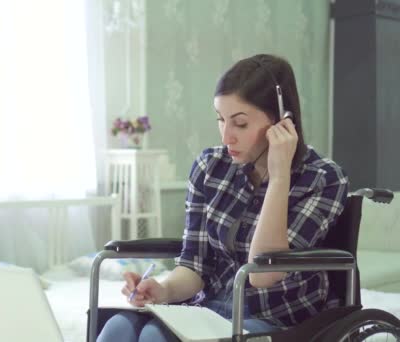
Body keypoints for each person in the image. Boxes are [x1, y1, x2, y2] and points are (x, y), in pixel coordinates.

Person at [97, 54, 349, 342]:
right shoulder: (210, 166)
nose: (227, 137)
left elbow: (263, 274)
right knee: (120, 327)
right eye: (221, 120)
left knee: (156, 337)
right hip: (209, 311)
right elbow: (195, 265)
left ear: (283, 121)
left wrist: (279, 177)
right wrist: (163, 290)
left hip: (276, 320)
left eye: (240, 124)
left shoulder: (323, 178)